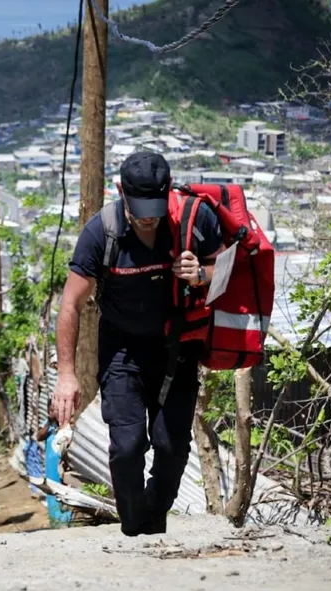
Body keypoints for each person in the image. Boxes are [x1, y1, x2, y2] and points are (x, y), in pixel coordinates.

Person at [52, 151, 222, 536]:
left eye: (156, 206)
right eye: (141, 207)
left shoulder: (193, 221)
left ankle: (152, 516)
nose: (149, 216)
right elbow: (71, 303)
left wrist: (203, 274)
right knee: (127, 446)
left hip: (177, 351)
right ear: (120, 191)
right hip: (122, 352)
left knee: (172, 447)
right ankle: (133, 527)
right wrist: (66, 374)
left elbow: (226, 267)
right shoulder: (102, 232)